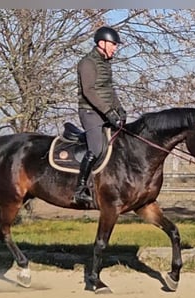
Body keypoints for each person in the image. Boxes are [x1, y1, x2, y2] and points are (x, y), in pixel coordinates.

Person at [72, 26, 127, 205]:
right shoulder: (87, 63)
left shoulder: (105, 64)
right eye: (113, 44)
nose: (115, 48)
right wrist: (107, 111)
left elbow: (110, 90)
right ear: (102, 43)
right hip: (90, 112)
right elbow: (88, 91)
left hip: (103, 112)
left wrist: (119, 109)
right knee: (96, 149)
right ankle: (80, 189)